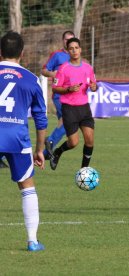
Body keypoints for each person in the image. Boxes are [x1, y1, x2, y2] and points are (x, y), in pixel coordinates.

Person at [0, 31, 48, 251]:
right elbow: (40, 119)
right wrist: (40, 150)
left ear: (0, 52)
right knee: (27, 186)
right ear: (22, 53)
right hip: (17, 139)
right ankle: (32, 241)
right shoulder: (31, 79)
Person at [49, 37, 97, 170]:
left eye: (76, 48)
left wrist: (94, 87)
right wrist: (68, 89)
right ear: (68, 52)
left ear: (80, 50)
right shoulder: (63, 69)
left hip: (84, 109)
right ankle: (57, 152)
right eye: (71, 48)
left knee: (90, 140)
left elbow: (94, 85)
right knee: (73, 142)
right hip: (69, 109)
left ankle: (84, 170)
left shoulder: (88, 68)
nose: (74, 50)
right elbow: (55, 88)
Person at [41, 30, 75, 160]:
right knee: (69, 121)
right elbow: (44, 70)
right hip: (59, 95)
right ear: (63, 41)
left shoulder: (76, 56)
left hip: (72, 96)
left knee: (65, 124)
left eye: (71, 39)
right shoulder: (57, 55)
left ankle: (43, 155)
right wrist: (53, 74)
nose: (69, 42)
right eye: (66, 39)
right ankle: (50, 140)